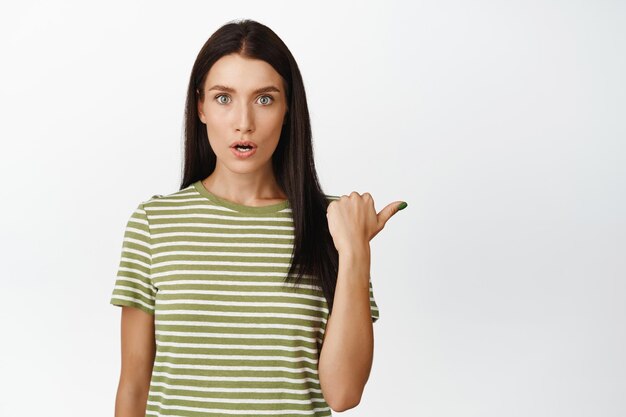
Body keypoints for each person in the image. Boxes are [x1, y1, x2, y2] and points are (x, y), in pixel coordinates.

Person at [109, 18, 407, 417]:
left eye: (264, 99)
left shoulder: (333, 223)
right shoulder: (154, 224)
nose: (243, 121)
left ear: (288, 109)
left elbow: (344, 393)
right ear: (200, 106)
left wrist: (355, 252)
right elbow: (132, 388)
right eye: (223, 98)